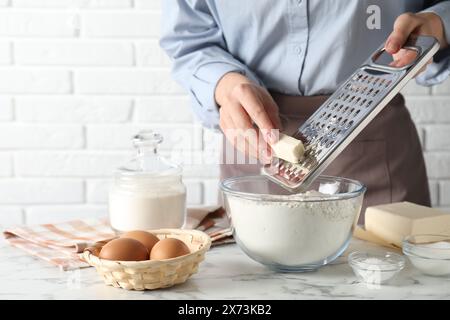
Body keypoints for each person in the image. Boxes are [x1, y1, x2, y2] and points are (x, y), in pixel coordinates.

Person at [160, 0, 450, 222]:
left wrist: (440, 24)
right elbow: (188, 37)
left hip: (375, 147)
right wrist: (224, 83)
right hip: (253, 148)